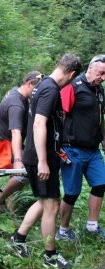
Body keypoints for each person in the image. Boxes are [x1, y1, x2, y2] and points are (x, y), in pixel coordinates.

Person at [10, 54, 82, 269]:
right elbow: (39, 124)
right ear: (72, 74)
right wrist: (43, 161)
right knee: (51, 205)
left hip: (41, 155)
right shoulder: (50, 89)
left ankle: (18, 239)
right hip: (41, 157)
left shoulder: (41, 85)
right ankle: (50, 256)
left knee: (44, 201)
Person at [55, 54, 105, 241]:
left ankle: (92, 226)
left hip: (93, 150)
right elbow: (61, 116)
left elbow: (100, 116)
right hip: (72, 149)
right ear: (90, 69)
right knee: (72, 193)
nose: (103, 77)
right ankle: (63, 230)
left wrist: (104, 138)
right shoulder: (72, 87)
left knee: (100, 184)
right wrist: (58, 146)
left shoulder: (99, 90)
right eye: (101, 73)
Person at [0, 71, 44, 212]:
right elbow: (16, 132)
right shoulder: (17, 105)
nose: (38, 93)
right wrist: (18, 159)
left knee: (34, 161)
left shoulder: (15, 92)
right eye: (37, 89)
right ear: (28, 84)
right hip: (2, 146)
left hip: (4, 142)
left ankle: (11, 202)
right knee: (26, 170)